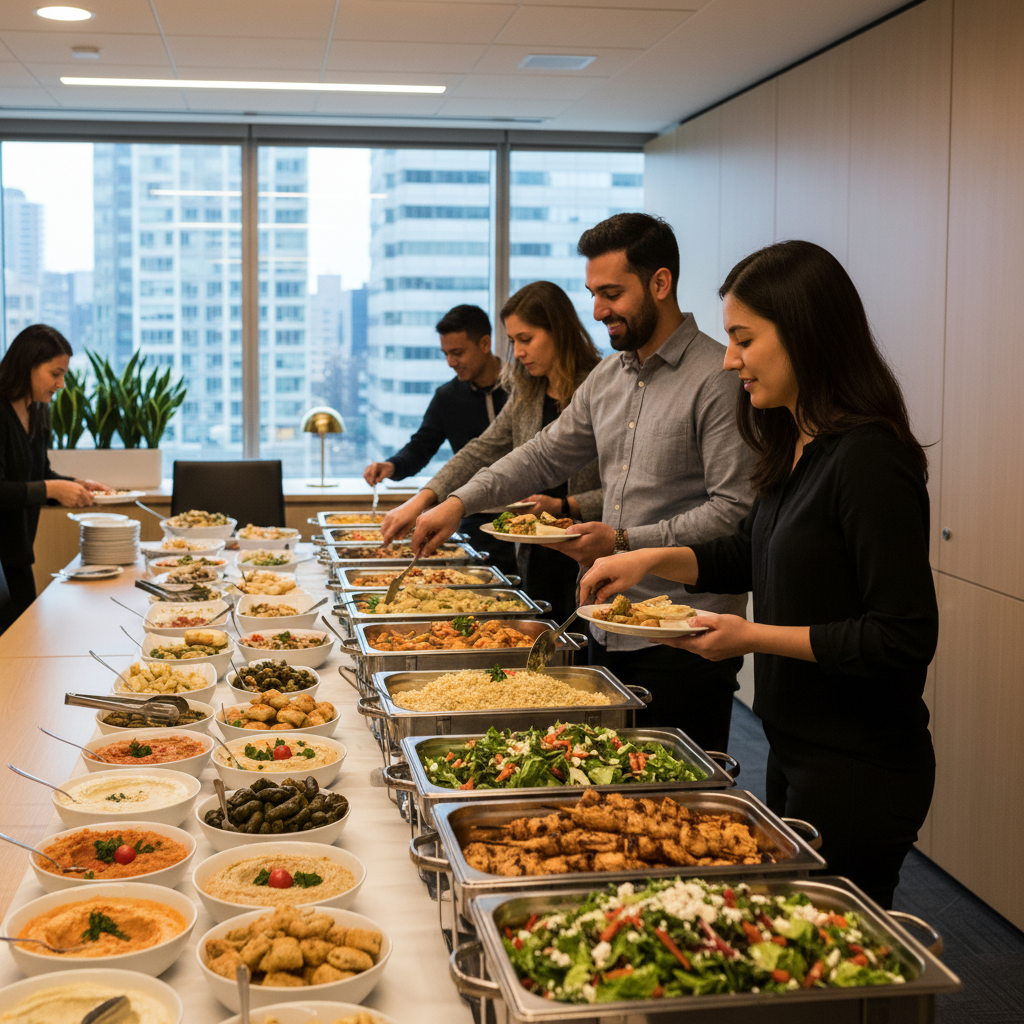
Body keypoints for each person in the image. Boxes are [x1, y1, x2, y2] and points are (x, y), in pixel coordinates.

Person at [579, 240, 937, 909]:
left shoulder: (868, 459)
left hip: (859, 760)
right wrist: (645, 559)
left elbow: (902, 635)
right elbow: (747, 551)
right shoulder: (793, 441)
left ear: (806, 334)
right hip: (794, 742)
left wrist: (750, 637)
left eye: (744, 339)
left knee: (828, 950)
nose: (729, 358)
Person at [409, 214, 755, 753]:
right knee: (605, 787)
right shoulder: (608, 378)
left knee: (671, 794)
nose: (597, 310)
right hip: (604, 624)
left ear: (660, 283)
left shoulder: (718, 377)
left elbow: (733, 512)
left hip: (685, 638)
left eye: (612, 294)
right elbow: (541, 454)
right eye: (593, 294)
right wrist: (456, 503)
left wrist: (623, 541)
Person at [381, 281, 603, 620]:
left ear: (559, 331)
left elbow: (626, 489)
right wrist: (423, 499)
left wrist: (566, 505)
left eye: (526, 339)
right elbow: (481, 451)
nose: (518, 352)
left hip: (591, 550)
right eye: (513, 342)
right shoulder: (528, 390)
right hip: (534, 550)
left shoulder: (600, 386)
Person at [362, 304, 514, 573]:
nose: (450, 363)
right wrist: (392, 466)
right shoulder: (447, 397)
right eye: (446, 354)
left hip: (526, 514)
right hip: (473, 514)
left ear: (485, 343)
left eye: (458, 353)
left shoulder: (521, 388)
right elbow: (422, 446)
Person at [0, 324, 108, 633]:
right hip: (4, 557)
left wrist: (74, 485)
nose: (61, 384)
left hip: (18, 555)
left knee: (27, 638)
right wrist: (53, 488)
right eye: (55, 374)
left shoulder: (37, 411)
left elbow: (39, 474)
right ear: (28, 366)